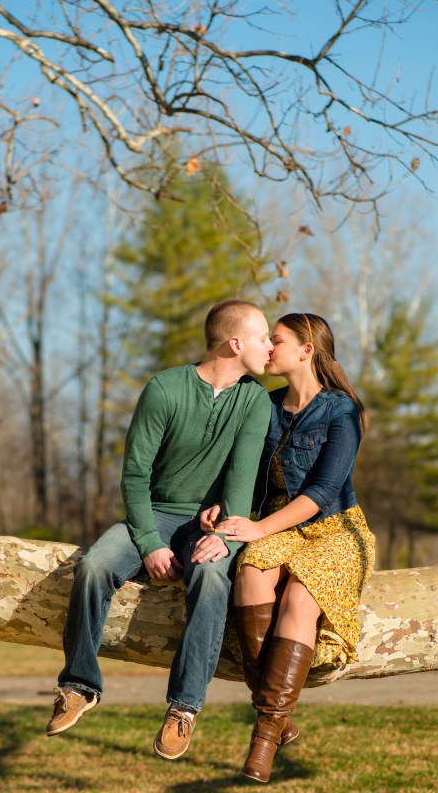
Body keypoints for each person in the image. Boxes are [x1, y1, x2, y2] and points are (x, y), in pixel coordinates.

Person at [46, 299, 273, 760]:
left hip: (213, 522)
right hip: (153, 514)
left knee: (211, 576)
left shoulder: (254, 402)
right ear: (235, 343)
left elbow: (241, 482)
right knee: (93, 566)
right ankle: (79, 685)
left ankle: (184, 707)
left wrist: (223, 537)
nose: (270, 347)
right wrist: (149, 543)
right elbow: (135, 475)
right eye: (263, 337)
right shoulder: (164, 389)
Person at [212, 312, 376, 783]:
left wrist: (259, 530)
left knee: (301, 599)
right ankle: (278, 716)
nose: (268, 348)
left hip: (333, 529)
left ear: (306, 350)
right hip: (274, 528)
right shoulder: (263, 405)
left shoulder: (342, 410)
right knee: (249, 576)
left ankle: (263, 737)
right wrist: (219, 507)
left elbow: (323, 491)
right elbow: (241, 472)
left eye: (277, 340)